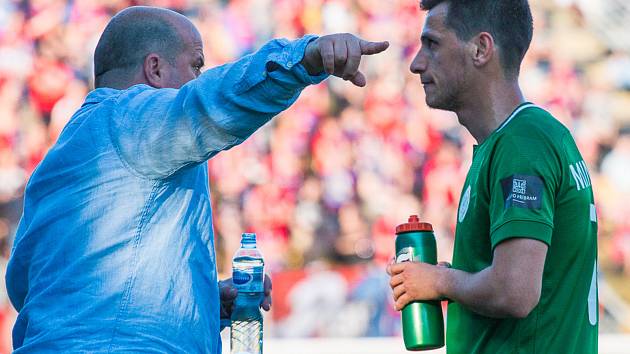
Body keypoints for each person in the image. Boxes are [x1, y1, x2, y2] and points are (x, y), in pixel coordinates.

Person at [5, 6, 388, 353]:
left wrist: (202, 301)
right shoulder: (132, 119)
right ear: (155, 69)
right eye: (196, 66)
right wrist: (304, 58)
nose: (199, 78)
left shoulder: (56, 162)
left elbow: (27, 284)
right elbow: (210, 102)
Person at [387, 1, 597, 353]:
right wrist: (449, 278)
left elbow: (514, 291)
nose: (416, 62)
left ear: (481, 48)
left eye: (433, 44)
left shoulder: (521, 145)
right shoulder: (523, 138)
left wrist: (439, 280)